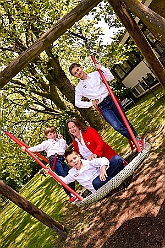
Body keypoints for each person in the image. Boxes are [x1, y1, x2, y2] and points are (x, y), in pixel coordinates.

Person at [69, 63, 145, 149]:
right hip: (103, 107)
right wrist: (91, 103)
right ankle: (136, 140)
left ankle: (137, 139)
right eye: (75, 73)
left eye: (78, 70)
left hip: (111, 99)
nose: (78, 73)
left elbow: (110, 77)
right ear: (75, 76)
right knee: (117, 126)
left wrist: (101, 68)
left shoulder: (96, 74)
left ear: (81, 67)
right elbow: (77, 103)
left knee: (125, 121)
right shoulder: (79, 88)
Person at [21, 126, 76, 203]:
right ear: (47, 136)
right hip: (54, 160)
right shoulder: (46, 143)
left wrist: (62, 139)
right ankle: (71, 195)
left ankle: (74, 192)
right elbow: (38, 148)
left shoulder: (59, 140)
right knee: (63, 177)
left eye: (54, 133)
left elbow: (65, 147)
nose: (53, 135)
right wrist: (27, 150)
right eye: (50, 134)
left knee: (70, 174)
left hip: (61, 159)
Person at [59, 149, 124, 194]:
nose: (74, 161)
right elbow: (64, 181)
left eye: (74, 158)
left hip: (104, 177)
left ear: (79, 156)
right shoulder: (72, 173)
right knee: (95, 182)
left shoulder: (88, 162)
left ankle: (122, 178)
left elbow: (103, 160)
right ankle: (119, 182)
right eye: (71, 161)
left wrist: (102, 169)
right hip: (98, 187)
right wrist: (51, 173)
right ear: (69, 164)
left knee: (116, 159)